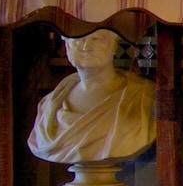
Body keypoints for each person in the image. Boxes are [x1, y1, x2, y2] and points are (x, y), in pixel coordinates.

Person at [27, 29, 156, 165]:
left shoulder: (143, 95)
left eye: (97, 40)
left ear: (113, 45)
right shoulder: (48, 104)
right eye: (78, 40)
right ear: (67, 44)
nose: (86, 47)